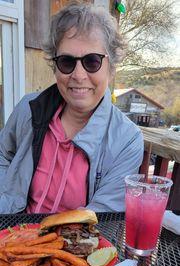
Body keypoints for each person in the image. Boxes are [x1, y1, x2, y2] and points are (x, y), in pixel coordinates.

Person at [0, 1, 144, 214]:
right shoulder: (29, 109)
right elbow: (3, 154)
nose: (78, 75)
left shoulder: (126, 140)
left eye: (92, 61)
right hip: (13, 235)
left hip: (76, 244)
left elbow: (103, 217)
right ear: (55, 67)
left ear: (111, 68)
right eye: (67, 61)